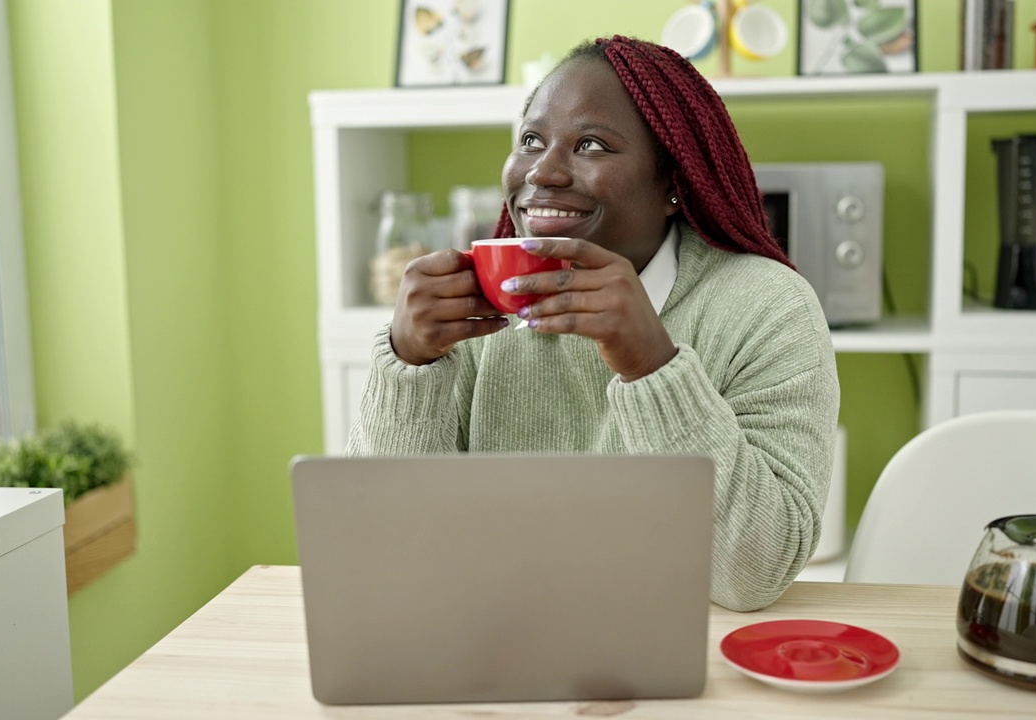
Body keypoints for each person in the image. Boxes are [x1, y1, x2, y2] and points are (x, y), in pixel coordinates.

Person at [347, 35, 840, 612]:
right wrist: (409, 360)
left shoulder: (768, 307)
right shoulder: (482, 305)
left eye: (591, 145)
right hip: (492, 633)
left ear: (674, 186)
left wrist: (652, 367)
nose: (544, 172)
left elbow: (754, 573)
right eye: (530, 140)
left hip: (683, 648)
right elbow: (385, 545)